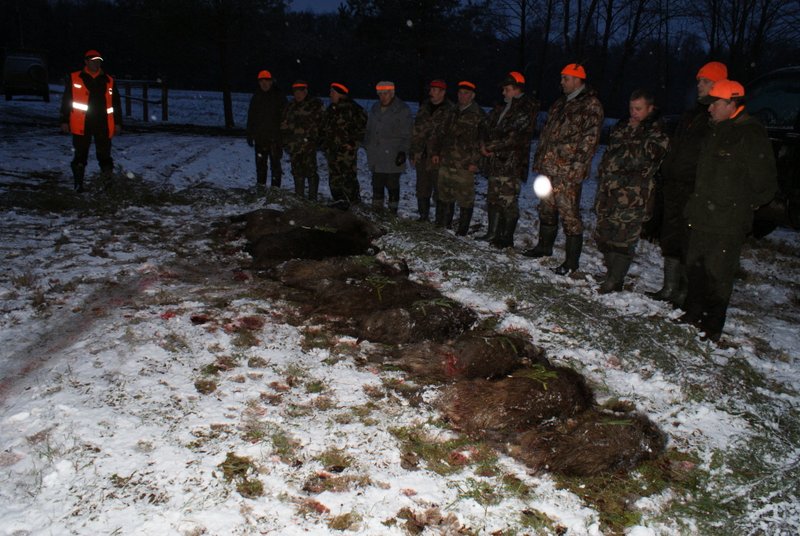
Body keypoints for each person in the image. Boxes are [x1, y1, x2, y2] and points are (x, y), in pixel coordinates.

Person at [680, 79, 777, 342]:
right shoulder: (716, 130)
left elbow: (766, 184)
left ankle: (712, 325)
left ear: (732, 104)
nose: (709, 108)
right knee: (695, 267)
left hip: (727, 221)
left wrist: (739, 204)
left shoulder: (750, 135)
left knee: (718, 273)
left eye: (715, 104)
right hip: (702, 215)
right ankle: (693, 312)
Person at [648, 61, 728, 307]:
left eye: (706, 81)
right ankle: (669, 287)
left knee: (688, 239)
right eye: (699, 81)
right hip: (674, 185)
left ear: (719, 84)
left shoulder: (716, 118)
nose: (699, 85)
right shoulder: (691, 115)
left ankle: (684, 290)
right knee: (671, 236)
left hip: (694, 188)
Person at [525, 63, 604, 275]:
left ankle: (571, 263)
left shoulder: (590, 105)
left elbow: (590, 140)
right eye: (562, 78)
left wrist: (577, 167)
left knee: (569, 215)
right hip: (549, 168)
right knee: (546, 209)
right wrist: (540, 160)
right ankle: (544, 247)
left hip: (567, 170)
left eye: (565, 78)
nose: (561, 82)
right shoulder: (560, 102)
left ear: (577, 80)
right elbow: (547, 134)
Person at [592, 89, 670, 293]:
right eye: (631, 108)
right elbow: (610, 155)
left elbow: (643, 159)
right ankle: (612, 274)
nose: (633, 112)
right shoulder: (622, 126)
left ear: (650, 108)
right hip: (609, 191)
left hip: (634, 195)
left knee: (623, 238)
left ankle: (614, 280)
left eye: (638, 109)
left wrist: (633, 136)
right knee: (604, 235)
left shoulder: (657, 131)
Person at [479, 71, 539, 248]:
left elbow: (514, 137)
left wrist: (490, 146)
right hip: (495, 161)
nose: (503, 92)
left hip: (512, 163)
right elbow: (484, 124)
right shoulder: (501, 107)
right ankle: (493, 233)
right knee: (493, 198)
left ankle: (506, 238)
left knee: (508, 200)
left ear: (517, 89)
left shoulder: (526, 109)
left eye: (507, 89)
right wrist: (483, 143)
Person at [60, 49, 122, 193]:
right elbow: (67, 101)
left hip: (103, 124)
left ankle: (108, 184)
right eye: (93, 61)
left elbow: (116, 104)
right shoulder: (75, 78)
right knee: (80, 156)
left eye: (98, 61)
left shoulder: (108, 80)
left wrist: (118, 123)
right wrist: (64, 120)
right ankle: (78, 185)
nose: (96, 63)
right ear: (86, 62)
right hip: (81, 123)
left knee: (105, 156)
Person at [429, 80, 487, 235]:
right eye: (460, 93)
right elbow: (440, 133)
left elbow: (483, 141)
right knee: (444, 194)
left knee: (465, 198)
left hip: (465, 164)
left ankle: (462, 231)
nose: (462, 96)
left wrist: (476, 162)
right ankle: (443, 225)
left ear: (472, 96)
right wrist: (435, 152)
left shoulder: (479, 115)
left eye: (466, 93)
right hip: (446, 160)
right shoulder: (451, 111)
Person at [410, 79, 455, 222]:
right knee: (422, 187)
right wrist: (413, 152)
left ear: (443, 93)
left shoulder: (451, 110)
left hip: (440, 158)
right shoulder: (424, 107)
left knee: (441, 189)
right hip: (422, 155)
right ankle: (423, 217)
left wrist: (440, 153)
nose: (431, 93)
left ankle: (441, 221)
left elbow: (451, 136)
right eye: (431, 90)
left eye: (434, 90)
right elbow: (416, 131)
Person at [364, 81, 412, 214]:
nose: (382, 97)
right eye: (380, 94)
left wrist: (403, 151)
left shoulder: (402, 109)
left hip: (393, 155)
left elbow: (407, 134)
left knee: (392, 185)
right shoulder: (375, 107)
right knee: (377, 184)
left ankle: (392, 213)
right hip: (376, 155)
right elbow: (369, 129)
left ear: (392, 93)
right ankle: (376, 211)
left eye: (385, 94)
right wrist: (367, 144)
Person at [319, 82, 367, 207]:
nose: (330, 95)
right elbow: (324, 127)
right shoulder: (331, 109)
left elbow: (363, 129)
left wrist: (353, 143)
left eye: (332, 92)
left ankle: (354, 203)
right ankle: (339, 202)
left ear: (340, 94)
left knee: (348, 177)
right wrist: (323, 141)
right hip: (331, 151)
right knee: (334, 178)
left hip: (346, 152)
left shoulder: (354, 109)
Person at [281, 80, 324, 200]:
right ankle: (299, 197)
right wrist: (285, 140)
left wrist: (317, 139)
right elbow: (283, 124)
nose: (298, 94)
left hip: (309, 146)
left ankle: (312, 199)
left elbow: (320, 124)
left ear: (306, 91)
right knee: (297, 172)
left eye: (300, 91)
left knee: (311, 172)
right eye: (295, 92)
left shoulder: (315, 105)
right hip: (294, 146)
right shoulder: (290, 106)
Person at [246, 70, 286, 190]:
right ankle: (261, 188)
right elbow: (251, 116)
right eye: (261, 81)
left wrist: (284, 134)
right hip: (260, 138)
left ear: (271, 82)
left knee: (275, 165)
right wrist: (250, 134)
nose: (264, 84)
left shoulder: (279, 96)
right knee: (260, 165)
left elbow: (286, 116)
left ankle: (275, 189)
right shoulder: (256, 97)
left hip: (275, 138)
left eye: (266, 81)